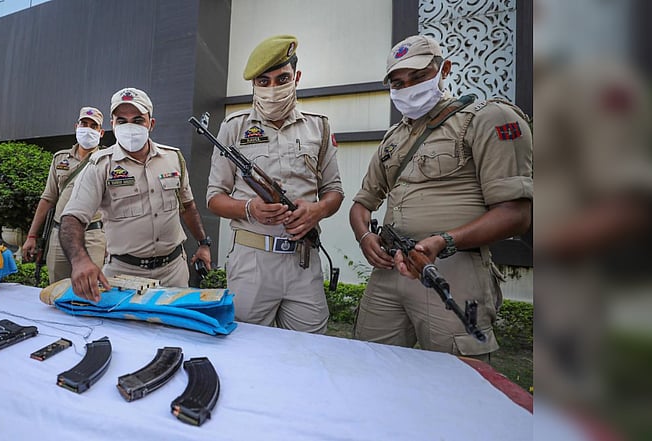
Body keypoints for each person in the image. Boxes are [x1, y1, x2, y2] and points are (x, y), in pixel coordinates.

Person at [349, 35, 533, 358]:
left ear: (444, 69)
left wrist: (444, 241)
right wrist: (365, 237)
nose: (408, 88)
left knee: (460, 386)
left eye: (418, 77)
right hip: (390, 270)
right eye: (398, 83)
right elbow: (362, 204)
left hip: (452, 271)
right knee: (367, 367)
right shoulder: (393, 139)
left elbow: (516, 214)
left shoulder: (487, 120)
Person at [206, 35, 344, 334]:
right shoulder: (234, 127)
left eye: (282, 79)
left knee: (311, 354)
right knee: (248, 352)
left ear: (297, 78)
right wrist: (249, 209)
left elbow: (335, 191)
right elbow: (214, 198)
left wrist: (317, 210)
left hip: (303, 261)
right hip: (251, 262)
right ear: (254, 85)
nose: (272, 89)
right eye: (263, 81)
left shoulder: (318, 126)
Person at [60, 87, 212, 301]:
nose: (129, 126)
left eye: (138, 120)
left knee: (175, 332)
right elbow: (72, 218)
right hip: (123, 275)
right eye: (121, 120)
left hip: (174, 273)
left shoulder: (173, 158)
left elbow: (187, 207)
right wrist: (80, 260)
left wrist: (203, 244)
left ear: (151, 124)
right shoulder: (100, 165)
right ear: (112, 124)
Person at [22, 107, 107, 283]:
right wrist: (31, 236)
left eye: (93, 126)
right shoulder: (60, 159)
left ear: (101, 132)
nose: (88, 129)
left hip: (92, 234)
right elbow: (48, 198)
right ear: (76, 126)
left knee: (90, 288)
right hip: (59, 233)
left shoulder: (107, 160)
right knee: (57, 288)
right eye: (84, 124)